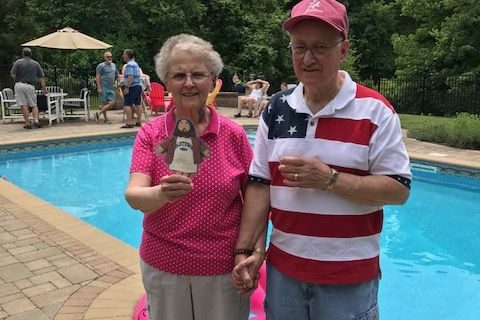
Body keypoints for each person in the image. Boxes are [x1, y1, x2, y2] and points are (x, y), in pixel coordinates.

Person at [231, 1, 412, 319]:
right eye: (299, 47)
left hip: (349, 281)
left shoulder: (374, 111)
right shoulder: (276, 109)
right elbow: (260, 185)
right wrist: (247, 251)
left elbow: (398, 189)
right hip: (284, 274)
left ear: (343, 50)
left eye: (320, 47)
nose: (307, 58)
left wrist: (330, 179)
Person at [124, 34, 254, 320]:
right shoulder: (151, 134)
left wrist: (252, 250)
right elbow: (134, 195)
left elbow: (256, 199)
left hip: (223, 267)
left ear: (213, 80)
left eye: (197, 74)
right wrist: (161, 193)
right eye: (179, 75)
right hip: (165, 265)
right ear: (167, 82)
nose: (189, 83)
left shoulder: (233, 135)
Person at [10, 47, 47, 129]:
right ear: (31, 54)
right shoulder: (35, 64)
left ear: (23, 54)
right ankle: (36, 120)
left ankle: (27, 122)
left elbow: (13, 75)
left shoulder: (18, 62)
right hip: (30, 85)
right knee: (34, 104)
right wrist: (44, 88)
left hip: (19, 84)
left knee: (23, 105)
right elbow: (41, 77)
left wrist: (19, 76)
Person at [120, 49, 143, 128]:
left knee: (127, 104)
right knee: (138, 104)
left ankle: (129, 122)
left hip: (132, 86)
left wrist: (127, 87)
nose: (123, 56)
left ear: (127, 55)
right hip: (138, 85)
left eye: (124, 54)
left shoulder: (129, 65)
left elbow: (130, 76)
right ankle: (139, 121)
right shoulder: (136, 64)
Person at [95, 51, 118, 124]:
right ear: (104, 57)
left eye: (111, 56)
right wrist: (99, 87)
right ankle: (105, 118)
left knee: (112, 103)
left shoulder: (114, 65)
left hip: (111, 87)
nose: (110, 58)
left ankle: (98, 113)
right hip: (103, 86)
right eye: (108, 57)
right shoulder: (100, 66)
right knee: (104, 103)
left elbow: (117, 75)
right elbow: (98, 77)